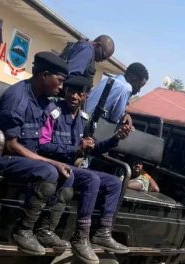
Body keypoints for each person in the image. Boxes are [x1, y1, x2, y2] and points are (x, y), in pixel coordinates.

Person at [38, 76, 132, 264]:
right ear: (65, 91)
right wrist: (76, 149)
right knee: (92, 179)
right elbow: (41, 145)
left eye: (79, 92)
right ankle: (81, 236)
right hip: (52, 164)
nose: (74, 96)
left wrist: (116, 139)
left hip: (73, 167)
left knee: (114, 182)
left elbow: (92, 149)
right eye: (70, 90)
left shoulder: (83, 118)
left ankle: (103, 232)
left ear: (86, 95)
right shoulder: (53, 112)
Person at [0, 52, 73, 255]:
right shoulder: (19, 97)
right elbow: (10, 145)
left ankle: (44, 230)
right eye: (59, 81)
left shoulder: (41, 100)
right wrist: (51, 162)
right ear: (44, 75)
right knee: (49, 172)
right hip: (0, 157)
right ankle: (23, 231)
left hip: (22, 158)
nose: (61, 87)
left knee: (68, 174)